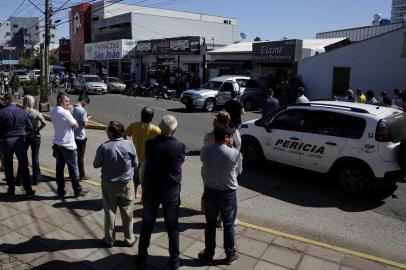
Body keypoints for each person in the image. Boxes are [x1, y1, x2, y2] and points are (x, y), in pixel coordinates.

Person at [137, 115, 186, 270]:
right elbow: (181, 160)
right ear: (174, 130)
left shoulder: (150, 144)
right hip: (170, 191)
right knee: (172, 227)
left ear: (159, 128)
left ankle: (142, 256)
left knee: (147, 225)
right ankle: (175, 260)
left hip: (151, 189)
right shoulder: (180, 146)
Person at [199, 125, 242, 266]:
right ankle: (230, 254)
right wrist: (232, 148)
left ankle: (208, 253)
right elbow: (239, 171)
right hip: (227, 194)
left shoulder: (205, 150)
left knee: (210, 224)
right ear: (226, 137)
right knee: (228, 224)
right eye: (229, 136)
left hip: (210, 191)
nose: (231, 138)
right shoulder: (235, 153)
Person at [93, 121, 138, 248]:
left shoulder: (104, 147)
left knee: (109, 212)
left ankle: (109, 240)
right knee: (128, 212)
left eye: (107, 130)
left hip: (109, 184)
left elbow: (96, 164)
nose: (106, 132)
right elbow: (135, 163)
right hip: (126, 184)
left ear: (111, 133)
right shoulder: (129, 144)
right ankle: (129, 239)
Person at [50, 93, 88, 198]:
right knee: (73, 169)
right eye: (66, 101)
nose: (68, 103)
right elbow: (75, 125)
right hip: (68, 145)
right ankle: (78, 190)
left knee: (59, 169)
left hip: (58, 143)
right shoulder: (65, 113)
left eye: (68, 101)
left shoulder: (53, 111)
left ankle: (61, 190)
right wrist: (69, 112)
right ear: (59, 100)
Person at [0, 94, 35, 196]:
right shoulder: (22, 112)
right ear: (15, 101)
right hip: (20, 140)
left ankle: (11, 190)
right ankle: (28, 189)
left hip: (7, 141)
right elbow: (30, 128)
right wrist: (24, 135)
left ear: (7, 101)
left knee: (8, 165)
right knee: (24, 165)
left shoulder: (2, 112)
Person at [124, 106, 161, 201]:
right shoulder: (156, 130)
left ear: (141, 115)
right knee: (146, 180)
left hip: (137, 157)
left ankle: (134, 194)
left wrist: (129, 146)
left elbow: (123, 135)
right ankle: (143, 198)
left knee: (135, 178)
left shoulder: (133, 125)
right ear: (152, 117)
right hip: (149, 159)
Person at [22, 95, 46, 185]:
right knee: (35, 158)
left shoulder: (22, 112)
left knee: (23, 157)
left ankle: (21, 178)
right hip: (35, 136)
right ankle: (36, 179)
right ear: (31, 102)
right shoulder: (35, 112)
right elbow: (44, 123)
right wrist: (38, 129)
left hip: (25, 136)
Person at [72, 94, 91, 180]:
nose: (85, 104)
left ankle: (72, 173)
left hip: (72, 135)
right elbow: (85, 124)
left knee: (72, 157)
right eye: (86, 103)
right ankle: (82, 174)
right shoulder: (82, 111)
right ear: (83, 100)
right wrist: (88, 118)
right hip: (80, 136)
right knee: (80, 157)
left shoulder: (72, 108)